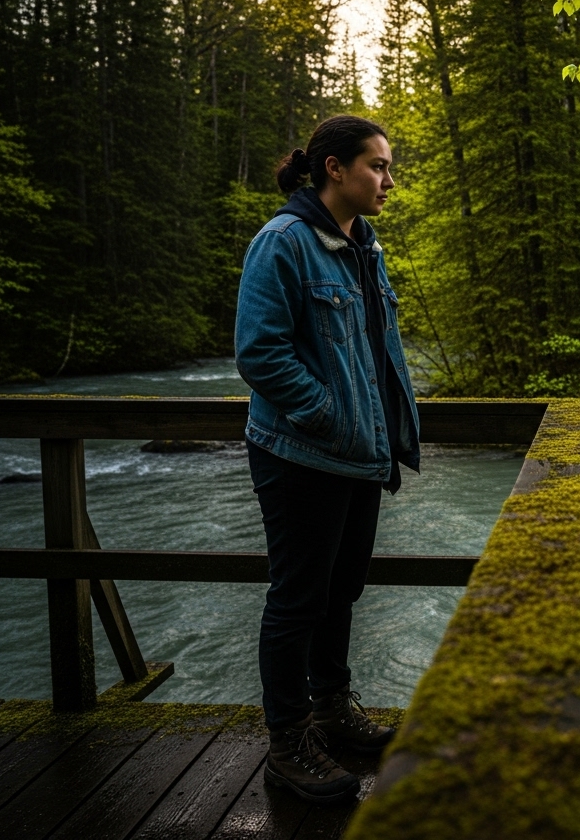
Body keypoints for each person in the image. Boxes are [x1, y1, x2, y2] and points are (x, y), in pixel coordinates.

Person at [235, 115, 421, 804]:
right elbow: (259, 352)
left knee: (340, 591)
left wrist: (375, 429)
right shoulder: (283, 242)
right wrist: (328, 415)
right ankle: (288, 744)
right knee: (297, 600)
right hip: (300, 456)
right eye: (377, 166)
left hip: (356, 456)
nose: (388, 181)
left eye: (389, 167)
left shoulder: (363, 245)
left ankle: (331, 709)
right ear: (334, 169)